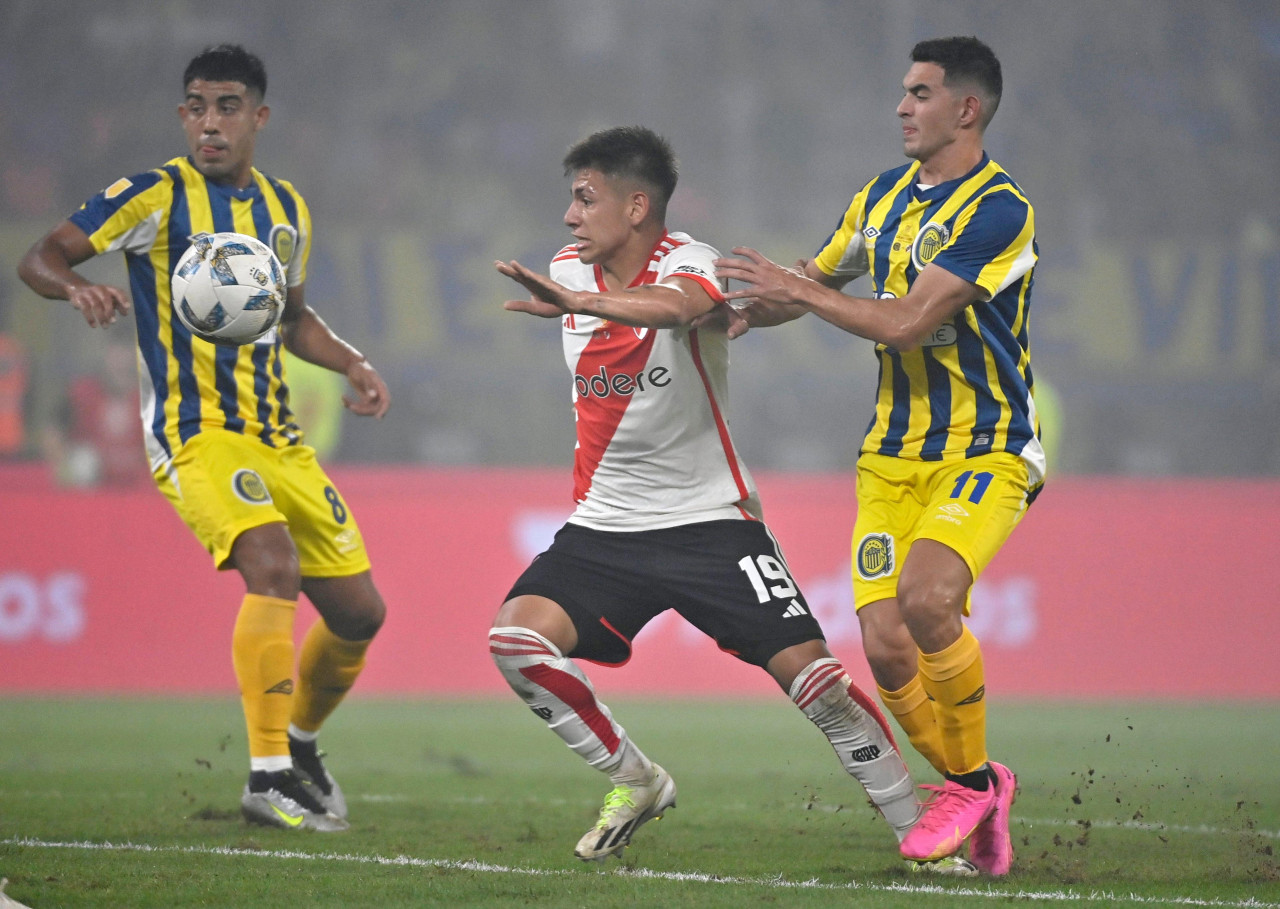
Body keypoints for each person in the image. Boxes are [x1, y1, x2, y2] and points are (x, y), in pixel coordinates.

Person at [489, 125, 975, 874]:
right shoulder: (565, 270)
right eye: (571, 201)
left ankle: (927, 840)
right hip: (605, 528)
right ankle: (634, 777)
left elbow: (678, 306)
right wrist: (569, 292)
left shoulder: (689, 261)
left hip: (711, 524)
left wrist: (584, 302)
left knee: (816, 680)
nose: (570, 217)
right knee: (515, 641)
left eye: (586, 199)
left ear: (637, 205)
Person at [17, 44, 391, 832]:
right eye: (196, 106)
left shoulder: (286, 207)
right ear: (183, 116)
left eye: (227, 106)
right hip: (196, 432)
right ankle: (267, 779)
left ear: (259, 116)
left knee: (360, 613)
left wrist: (353, 361)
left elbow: (290, 319)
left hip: (279, 438)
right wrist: (78, 284)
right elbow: (40, 255)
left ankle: (301, 745)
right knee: (271, 563)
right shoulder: (153, 196)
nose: (209, 123)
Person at [713, 36, 1042, 876]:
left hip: (986, 448)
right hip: (890, 456)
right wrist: (748, 309)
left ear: (965, 109)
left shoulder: (998, 210)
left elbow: (904, 322)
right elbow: (814, 278)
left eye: (920, 93)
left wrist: (806, 294)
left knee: (930, 599)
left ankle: (963, 786)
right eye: (903, 91)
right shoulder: (880, 197)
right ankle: (984, 782)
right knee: (888, 645)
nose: (901, 106)